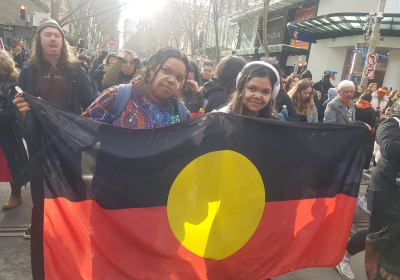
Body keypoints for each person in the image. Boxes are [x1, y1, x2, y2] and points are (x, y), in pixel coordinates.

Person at [13, 18, 94, 238]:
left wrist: (87, 131)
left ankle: (73, 220)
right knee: (39, 179)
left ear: (62, 41)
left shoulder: (76, 70)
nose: (53, 38)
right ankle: (39, 221)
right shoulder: (29, 69)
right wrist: (21, 109)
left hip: (68, 135)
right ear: (39, 41)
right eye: (47, 34)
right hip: (37, 135)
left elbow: (91, 103)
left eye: (57, 35)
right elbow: (20, 99)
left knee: (71, 177)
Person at [336, 112, 400, 280]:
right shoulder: (392, 123)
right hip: (387, 186)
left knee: (395, 234)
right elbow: (392, 149)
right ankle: (344, 257)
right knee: (378, 232)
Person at [83, 47, 190, 128]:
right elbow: (80, 133)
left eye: (179, 78)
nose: (172, 80)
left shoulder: (182, 114)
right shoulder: (114, 96)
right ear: (151, 68)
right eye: (166, 71)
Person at [0, 50, 29, 209]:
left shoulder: (12, 86)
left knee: (11, 165)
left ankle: (16, 195)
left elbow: (13, 113)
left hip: (9, 134)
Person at [355, 93, 377, 172]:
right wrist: (372, 133)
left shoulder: (355, 106)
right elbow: (373, 123)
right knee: (368, 149)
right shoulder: (370, 109)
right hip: (367, 132)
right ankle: (365, 166)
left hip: (355, 130)